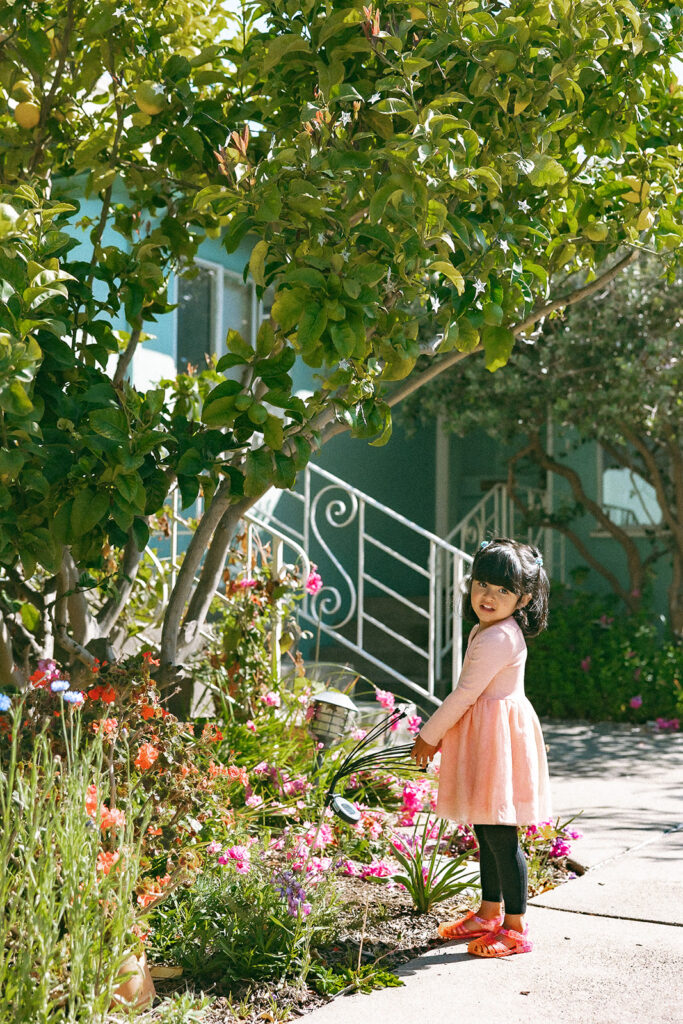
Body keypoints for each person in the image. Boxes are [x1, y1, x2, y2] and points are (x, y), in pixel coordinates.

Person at [410, 537, 551, 958]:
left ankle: (515, 927)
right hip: (488, 733)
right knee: (484, 826)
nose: (488, 596)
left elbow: (464, 694)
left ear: (523, 597)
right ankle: (489, 913)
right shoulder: (485, 629)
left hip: (498, 738)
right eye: (482, 584)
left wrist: (429, 734)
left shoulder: (499, 638)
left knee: (501, 834)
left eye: (503, 590)